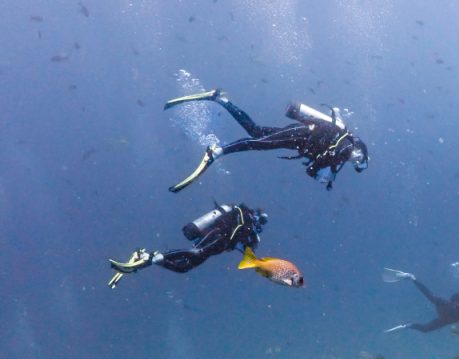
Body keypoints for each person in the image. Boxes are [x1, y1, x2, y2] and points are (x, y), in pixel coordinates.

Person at [164, 89, 369, 192]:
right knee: (260, 143)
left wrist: (325, 174)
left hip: (299, 139)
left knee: (256, 132)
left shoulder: (342, 154)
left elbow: (314, 167)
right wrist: (326, 172)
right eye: (358, 160)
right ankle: (218, 152)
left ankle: (220, 99)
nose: (354, 160)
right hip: (302, 135)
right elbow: (323, 160)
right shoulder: (346, 147)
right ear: (360, 152)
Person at [107, 202, 268, 289]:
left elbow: (246, 251)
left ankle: (149, 257)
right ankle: (152, 258)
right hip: (218, 236)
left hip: (217, 247)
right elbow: (235, 230)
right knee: (195, 253)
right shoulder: (244, 215)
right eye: (262, 219)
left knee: (184, 268)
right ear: (256, 215)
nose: (260, 223)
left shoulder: (251, 234)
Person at [382, 267, 459, 333]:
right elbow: (455, 298)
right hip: (449, 309)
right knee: (430, 296)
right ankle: (411, 277)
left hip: (449, 317)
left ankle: (407, 325)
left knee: (426, 329)